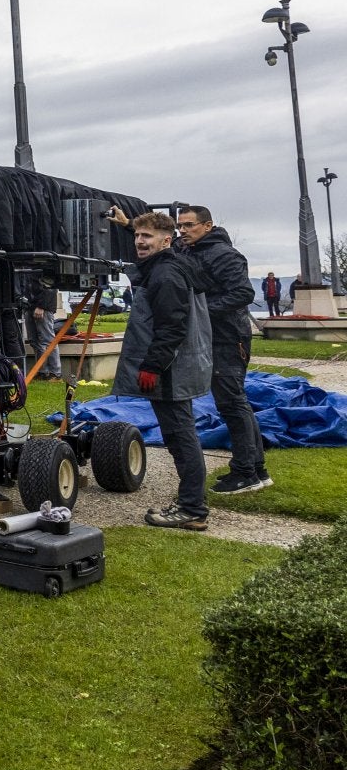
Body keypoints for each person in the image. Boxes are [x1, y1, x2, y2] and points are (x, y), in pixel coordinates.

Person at [111, 210, 213, 530]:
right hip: (179, 365)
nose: (139, 242)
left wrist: (153, 366)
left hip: (171, 369)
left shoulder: (166, 275)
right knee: (179, 434)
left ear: (165, 241)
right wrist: (129, 224)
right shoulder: (172, 262)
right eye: (137, 236)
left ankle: (192, 508)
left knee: (180, 436)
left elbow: (171, 327)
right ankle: (191, 504)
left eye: (147, 237)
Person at [177, 207, 269, 495]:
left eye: (189, 225)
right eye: (180, 225)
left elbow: (242, 293)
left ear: (207, 225)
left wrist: (201, 313)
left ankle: (245, 472)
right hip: (212, 336)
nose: (183, 230)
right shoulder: (191, 251)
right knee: (234, 402)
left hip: (228, 338)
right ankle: (256, 468)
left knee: (232, 403)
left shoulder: (224, 254)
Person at [28, 276, 62, 380]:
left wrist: (42, 306)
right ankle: (43, 372)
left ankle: (55, 374)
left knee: (47, 340)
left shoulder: (43, 263)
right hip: (31, 305)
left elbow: (50, 285)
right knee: (35, 342)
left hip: (42, 307)